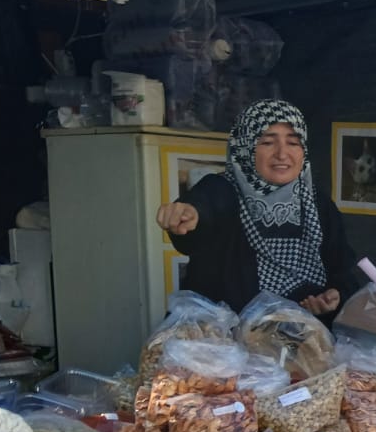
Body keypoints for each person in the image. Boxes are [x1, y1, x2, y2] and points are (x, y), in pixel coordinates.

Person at [155, 100, 362, 319]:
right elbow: (204, 209)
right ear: (246, 147)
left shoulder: (319, 205)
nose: (282, 154)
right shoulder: (222, 189)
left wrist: (336, 295)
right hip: (226, 343)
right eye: (267, 143)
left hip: (302, 340)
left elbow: (343, 271)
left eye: (293, 142)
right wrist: (190, 215)